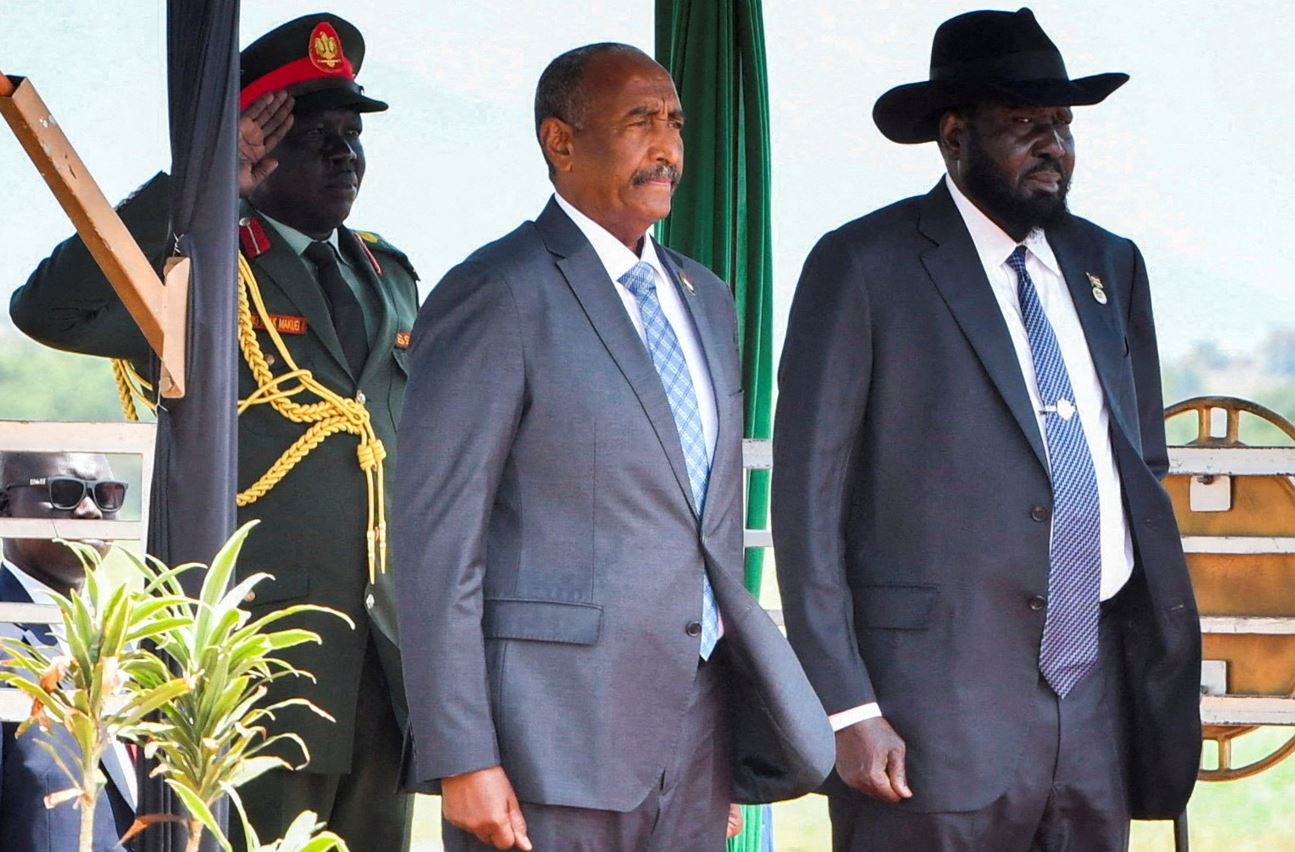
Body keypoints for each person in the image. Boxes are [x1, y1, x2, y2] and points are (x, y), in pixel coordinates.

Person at [772, 9, 1202, 851]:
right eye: (1022, 125)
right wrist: (847, 707)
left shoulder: (1108, 264)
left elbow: (1137, 467)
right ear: (953, 134)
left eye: (1062, 126)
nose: (1052, 146)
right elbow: (806, 508)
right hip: (922, 723)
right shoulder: (863, 265)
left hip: (1090, 712)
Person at [394, 42, 832, 851]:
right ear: (560, 142)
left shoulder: (707, 299)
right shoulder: (498, 291)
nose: (666, 147)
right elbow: (435, 546)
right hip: (546, 747)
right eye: (639, 122)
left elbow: (708, 524)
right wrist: (463, 757)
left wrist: (720, 746)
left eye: (673, 123)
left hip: (695, 736)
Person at [9, 14, 419, 851]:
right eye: (316, 137)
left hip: (383, 670)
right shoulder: (196, 269)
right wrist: (199, 185)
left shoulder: (392, 277)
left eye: (353, 136)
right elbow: (48, 309)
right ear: (257, 152)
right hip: (252, 670)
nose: (345, 155)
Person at [0, 451, 137, 852]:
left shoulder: (130, 642)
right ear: (5, 505)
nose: (91, 510)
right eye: (65, 492)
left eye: (107, 494)